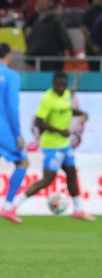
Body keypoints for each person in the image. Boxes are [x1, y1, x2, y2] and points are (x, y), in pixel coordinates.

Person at [9, 71, 90, 221]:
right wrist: (60, 131)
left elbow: (66, 110)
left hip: (64, 145)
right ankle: (13, 206)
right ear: (53, 84)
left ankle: (78, 209)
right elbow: (39, 122)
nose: (61, 87)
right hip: (52, 145)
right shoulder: (47, 99)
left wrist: (80, 113)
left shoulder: (66, 94)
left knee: (72, 174)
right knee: (47, 180)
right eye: (58, 85)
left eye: (63, 84)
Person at [0, 44, 28, 224]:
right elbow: (11, 107)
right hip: (3, 128)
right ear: (8, 55)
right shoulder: (11, 76)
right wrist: (17, 134)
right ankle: (8, 207)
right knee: (22, 162)